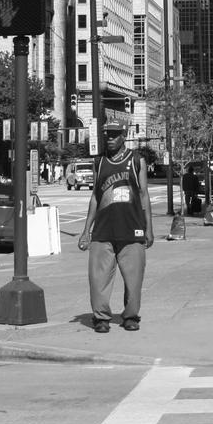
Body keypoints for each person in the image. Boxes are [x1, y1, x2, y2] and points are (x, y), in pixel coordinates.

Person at [78, 121, 154, 333]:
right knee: (98, 279)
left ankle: (130, 316)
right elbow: (95, 197)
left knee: (134, 280)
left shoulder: (137, 160)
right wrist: (86, 230)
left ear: (124, 135)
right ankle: (101, 317)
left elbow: (143, 194)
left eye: (114, 134)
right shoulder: (99, 162)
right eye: (107, 134)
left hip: (132, 230)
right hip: (103, 231)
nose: (109, 138)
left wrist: (148, 228)